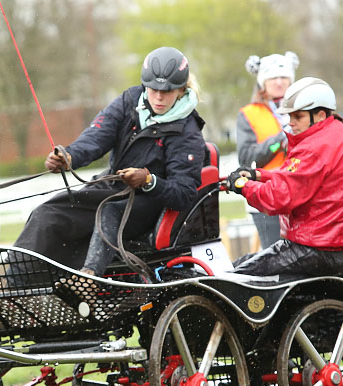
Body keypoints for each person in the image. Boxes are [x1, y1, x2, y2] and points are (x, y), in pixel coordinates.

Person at [13, 46, 206, 275]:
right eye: (153, 89)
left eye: (167, 91)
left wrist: (148, 180)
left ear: (181, 90)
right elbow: (97, 137)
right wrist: (69, 156)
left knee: (109, 212)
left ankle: (89, 277)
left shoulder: (189, 133)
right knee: (48, 213)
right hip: (113, 189)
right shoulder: (129, 101)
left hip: (151, 203)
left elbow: (184, 193)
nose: (159, 97)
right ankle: (14, 284)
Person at [230, 77, 343, 279]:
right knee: (241, 265)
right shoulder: (333, 134)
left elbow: (277, 198)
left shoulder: (316, 146)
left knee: (237, 277)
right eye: (290, 116)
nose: (291, 123)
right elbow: (295, 177)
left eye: (298, 116)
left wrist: (243, 186)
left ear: (320, 115)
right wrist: (258, 175)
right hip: (334, 245)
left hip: (319, 248)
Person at [238, 51, 300, 250]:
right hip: (267, 198)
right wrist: (279, 140)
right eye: (273, 77)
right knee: (275, 257)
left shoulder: (305, 109)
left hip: (300, 194)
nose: (279, 82)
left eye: (284, 77)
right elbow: (247, 158)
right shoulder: (249, 113)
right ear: (262, 82)